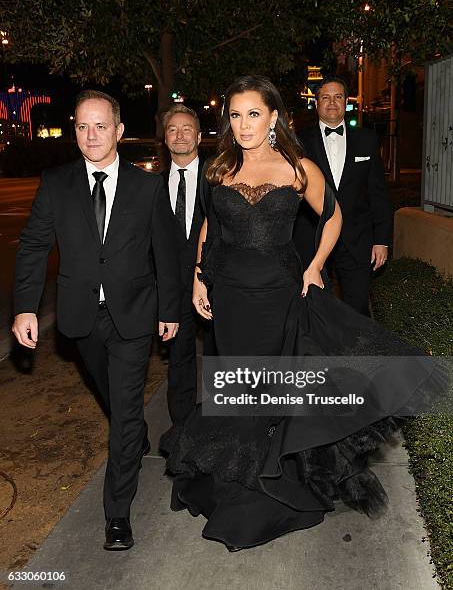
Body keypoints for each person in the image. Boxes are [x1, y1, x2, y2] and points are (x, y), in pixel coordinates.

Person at [160, 76, 442, 551]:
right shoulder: (219, 168)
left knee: (273, 389)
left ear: (273, 117)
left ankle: (271, 482)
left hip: (279, 297)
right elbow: (211, 225)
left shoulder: (297, 167)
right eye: (235, 115)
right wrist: (197, 278)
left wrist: (314, 267)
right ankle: (236, 481)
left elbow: (333, 217)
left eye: (253, 114)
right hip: (229, 299)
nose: (243, 124)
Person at [12, 90, 181, 551]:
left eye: (101, 125)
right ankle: (136, 432)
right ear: (75, 131)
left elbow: (164, 253)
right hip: (80, 317)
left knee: (123, 413)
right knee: (111, 394)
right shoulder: (57, 183)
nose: (91, 135)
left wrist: (170, 310)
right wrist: (26, 306)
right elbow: (32, 247)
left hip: (132, 316)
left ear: (119, 131)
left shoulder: (147, 186)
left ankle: (118, 517)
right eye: (83, 126)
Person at [294, 76, 392, 315]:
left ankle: (354, 353)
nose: (331, 103)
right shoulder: (299, 142)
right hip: (312, 239)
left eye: (338, 97)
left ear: (346, 102)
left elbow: (379, 194)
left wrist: (382, 239)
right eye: (325, 97)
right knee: (314, 306)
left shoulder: (367, 140)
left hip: (357, 239)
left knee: (357, 308)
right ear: (316, 103)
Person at [161, 105, 214, 426]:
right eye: (172, 129)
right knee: (179, 360)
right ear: (164, 138)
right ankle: (182, 427)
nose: (179, 135)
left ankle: (220, 423)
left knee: (219, 354)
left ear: (198, 135)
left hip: (213, 282)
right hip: (171, 288)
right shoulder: (150, 185)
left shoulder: (219, 178)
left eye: (186, 129)